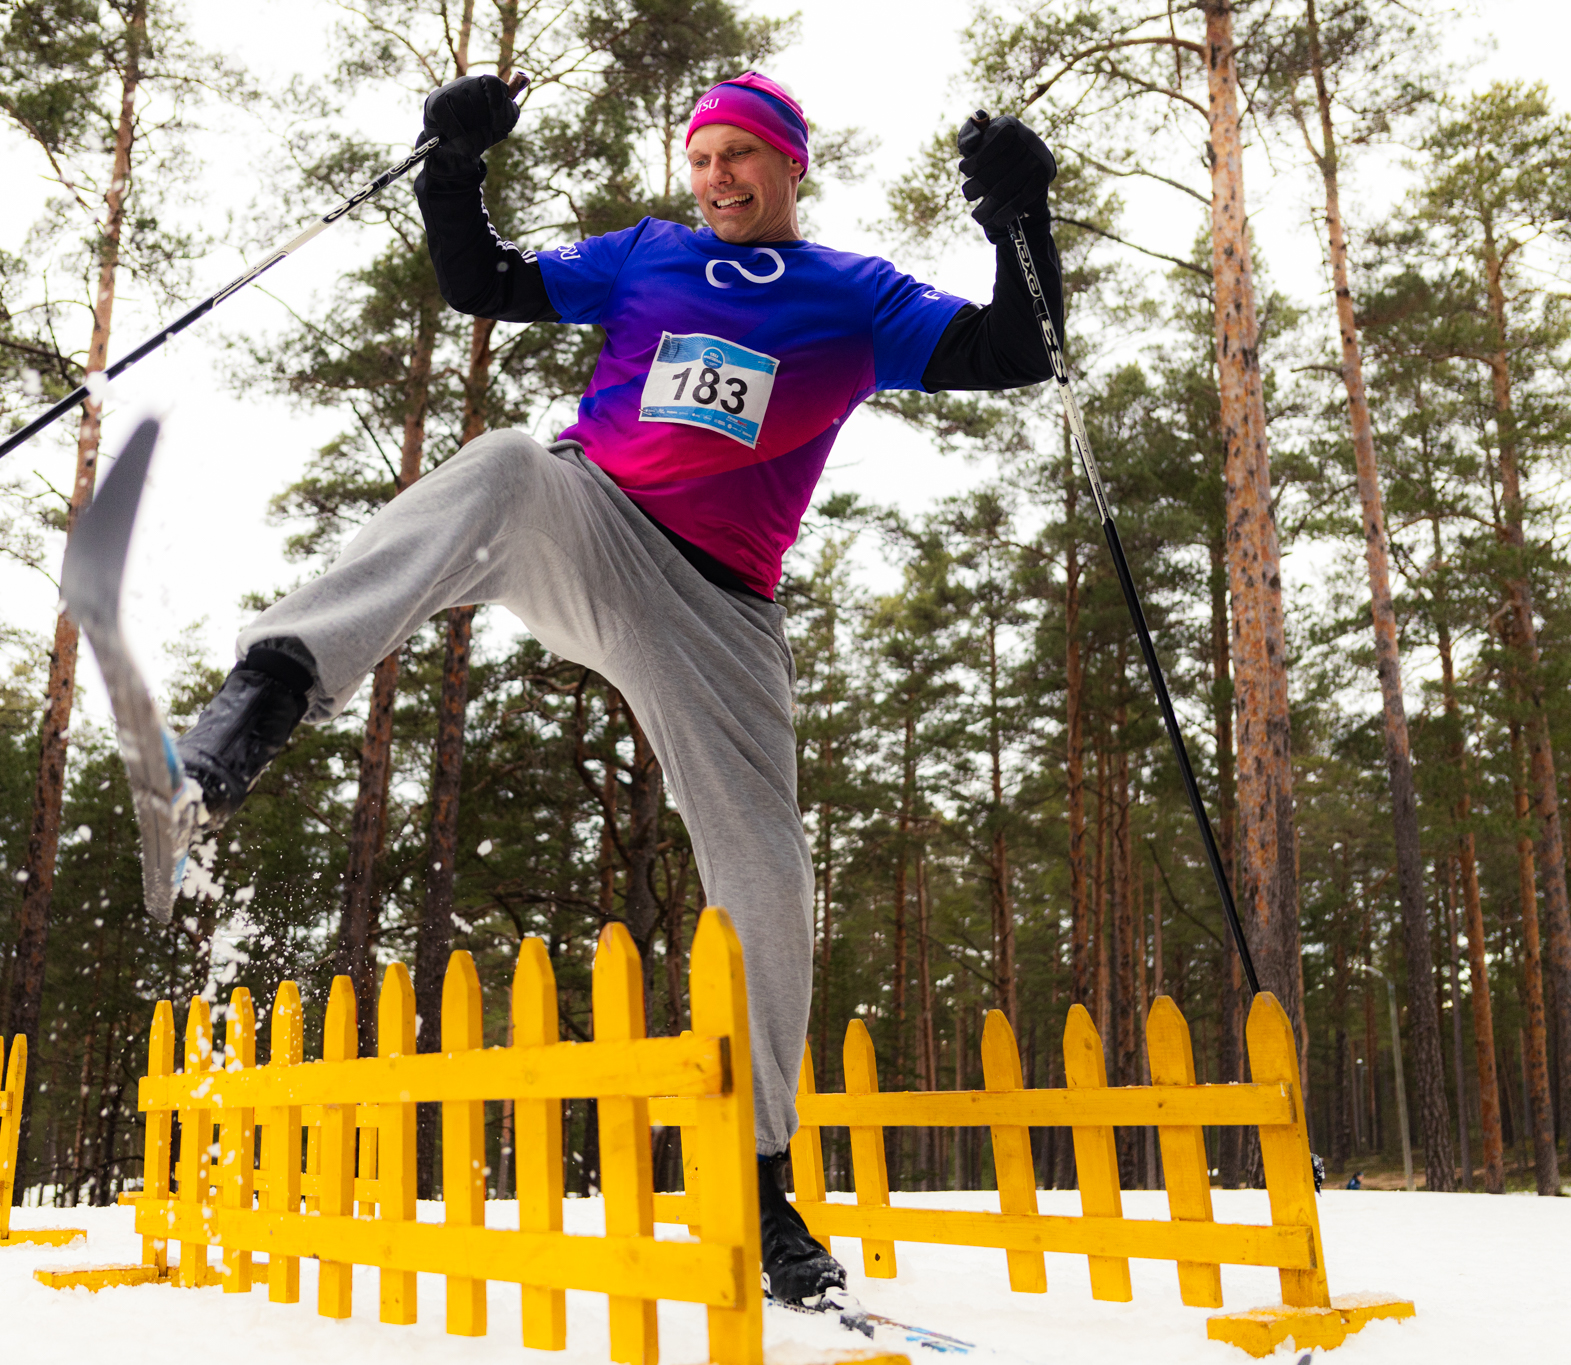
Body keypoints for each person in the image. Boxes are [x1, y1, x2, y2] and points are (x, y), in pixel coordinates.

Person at [169, 70, 1061, 1306]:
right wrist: (451, 164)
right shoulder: (645, 255)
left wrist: (1018, 219)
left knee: (766, 873)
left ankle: (755, 1179)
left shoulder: (853, 295)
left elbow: (1016, 351)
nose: (717, 178)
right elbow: (481, 283)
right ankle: (253, 711)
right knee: (502, 462)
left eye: (740, 156)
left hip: (718, 611)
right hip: (586, 526)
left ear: (789, 164)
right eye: (701, 158)